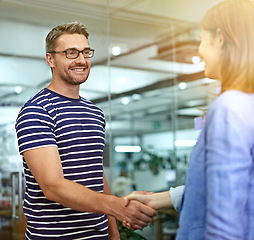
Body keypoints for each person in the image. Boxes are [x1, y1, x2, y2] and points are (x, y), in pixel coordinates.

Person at [125, 0, 254, 239]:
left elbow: (225, 220)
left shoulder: (229, 107)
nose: (200, 51)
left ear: (220, 38)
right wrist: (157, 199)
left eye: (202, 40)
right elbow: (222, 188)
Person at [15, 22, 156, 240]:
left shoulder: (95, 113)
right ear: (50, 59)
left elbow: (96, 173)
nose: (81, 60)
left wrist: (113, 230)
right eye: (71, 53)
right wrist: (115, 205)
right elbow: (52, 187)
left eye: (85, 52)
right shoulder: (37, 110)